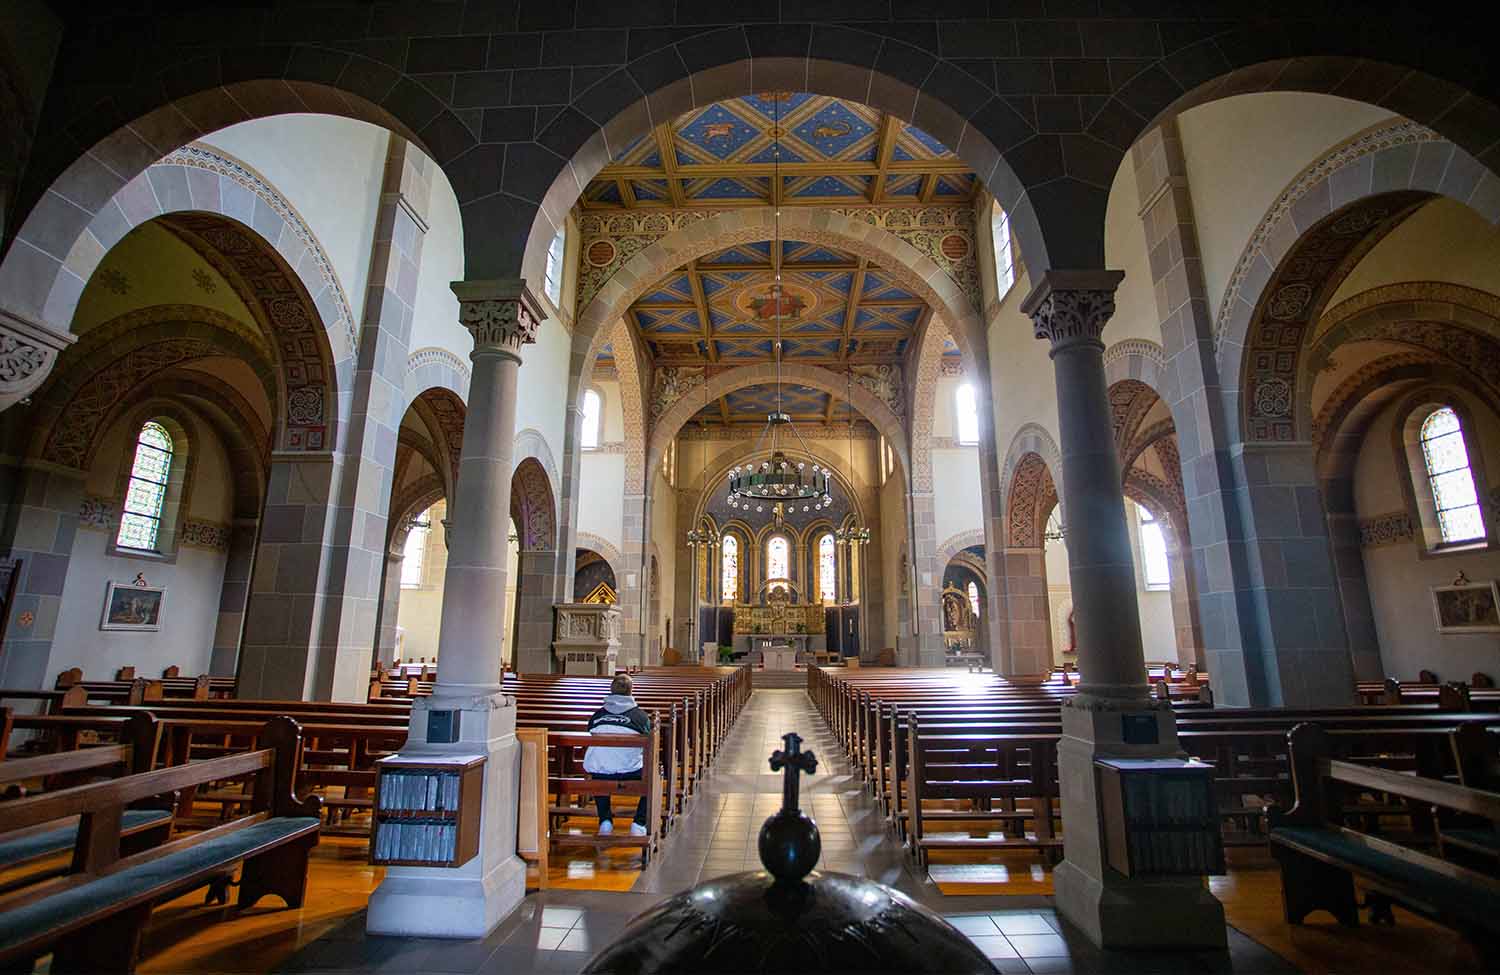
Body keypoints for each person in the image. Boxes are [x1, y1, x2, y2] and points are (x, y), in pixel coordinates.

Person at [583, 674, 652, 836]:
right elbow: (649, 745)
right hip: (630, 773)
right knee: (654, 776)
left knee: (600, 767)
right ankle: (639, 823)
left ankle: (605, 822)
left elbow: (589, 735)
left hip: (600, 774)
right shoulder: (641, 717)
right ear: (631, 691)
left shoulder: (597, 716)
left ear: (611, 691)